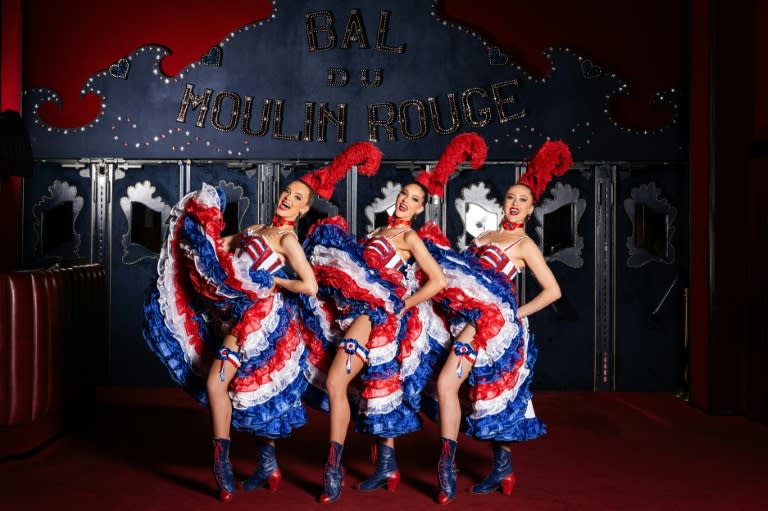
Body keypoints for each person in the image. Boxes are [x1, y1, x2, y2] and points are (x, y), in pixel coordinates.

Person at [143, 141, 381, 502]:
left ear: (303, 209)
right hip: (235, 314)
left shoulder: (288, 239)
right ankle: (245, 462)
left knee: (237, 385)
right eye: (287, 191)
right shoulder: (254, 229)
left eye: (296, 196)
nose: (287, 197)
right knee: (231, 386)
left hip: (265, 321)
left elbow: (310, 284)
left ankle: (259, 465)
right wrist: (195, 231)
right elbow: (216, 249)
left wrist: (275, 281)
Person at [300, 133, 487, 503]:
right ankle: (386, 464)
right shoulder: (378, 232)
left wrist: (403, 303)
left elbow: (436, 281)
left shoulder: (410, 238)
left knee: (338, 381)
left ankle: (334, 470)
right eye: (404, 194)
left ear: (421, 208)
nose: (406, 200)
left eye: (414, 199)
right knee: (373, 391)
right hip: (354, 310)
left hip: (378, 316)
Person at [426, 140, 572, 504]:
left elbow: (553, 290)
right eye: (510, 197)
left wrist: (515, 314)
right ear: (503, 203)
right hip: (465, 319)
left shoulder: (524, 245)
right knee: (477, 394)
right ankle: (501, 467)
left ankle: (447, 469)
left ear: (531, 208)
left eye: (523, 199)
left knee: (450, 384)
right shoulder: (484, 237)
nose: (515, 203)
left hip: (492, 325)